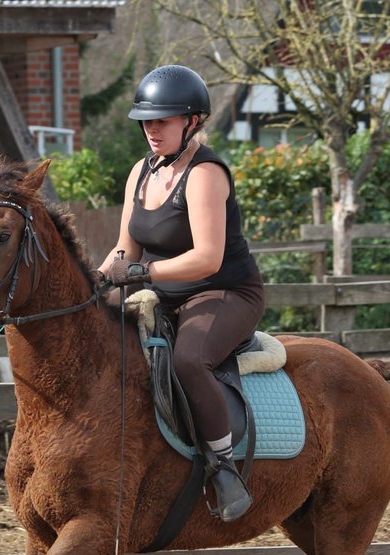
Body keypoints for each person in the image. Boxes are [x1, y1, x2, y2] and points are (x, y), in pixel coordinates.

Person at [98, 64, 267, 523]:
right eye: (146, 121)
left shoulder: (206, 173)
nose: (152, 130)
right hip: (164, 289)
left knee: (188, 361)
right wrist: (97, 279)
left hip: (224, 291)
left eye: (163, 121)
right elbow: (123, 248)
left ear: (192, 121)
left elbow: (208, 259)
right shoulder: (141, 172)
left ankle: (223, 465)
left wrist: (142, 272)